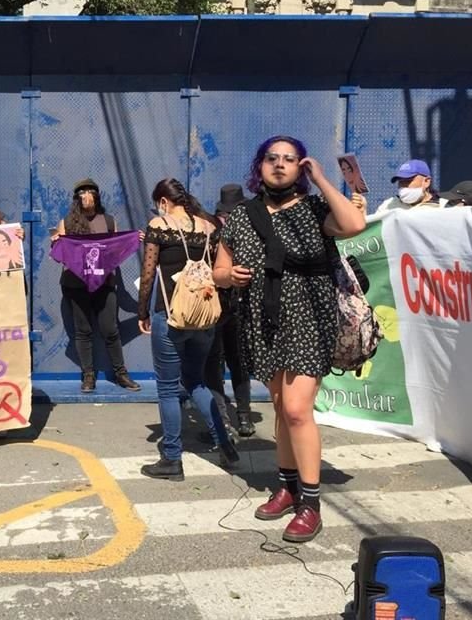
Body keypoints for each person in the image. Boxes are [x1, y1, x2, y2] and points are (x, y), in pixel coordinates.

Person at [214, 135, 365, 543]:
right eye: (271, 158)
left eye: (290, 159)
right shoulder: (242, 216)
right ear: (259, 165)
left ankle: (311, 504)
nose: (279, 165)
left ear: (301, 167)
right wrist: (230, 277)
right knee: (281, 408)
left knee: (298, 410)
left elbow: (353, 225)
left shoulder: (316, 209)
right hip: (261, 321)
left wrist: (321, 179)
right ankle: (287, 485)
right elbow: (219, 269)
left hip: (309, 319)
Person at [137, 178, 239, 481]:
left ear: (164, 201)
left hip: (170, 317)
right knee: (197, 382)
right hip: (205, 318)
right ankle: (225, 444)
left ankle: (171, 458)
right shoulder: (209, 227)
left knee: (168, 389)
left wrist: (142, 311)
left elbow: (147, 276)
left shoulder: (159, 224)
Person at [51, 178, 140, 393]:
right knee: (83, 330)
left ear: (97, 196)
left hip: (105, 282)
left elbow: (115, 250)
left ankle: (120, 373)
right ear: (76, 198)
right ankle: (88, 375)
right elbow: (62, 252)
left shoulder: (108, 221)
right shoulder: (67, 221)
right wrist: (56, 242)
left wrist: (134, 238)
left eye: (90, 192)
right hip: (75, 284)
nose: (86, 196)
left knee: (110, 329)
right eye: (81, 193)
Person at [204, 184, 254, 437]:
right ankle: (241, 418)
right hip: (238, 307)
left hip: (222, 306)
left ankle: (224, 420)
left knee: (219, 363)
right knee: (236, 363)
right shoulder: (249, 235)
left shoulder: (215, 237)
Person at [376, 159, 447, 213]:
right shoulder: (387, 205)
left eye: (408, 181)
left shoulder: (444, 207)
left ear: (426, 182)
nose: (403, 186)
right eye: (400, 182)